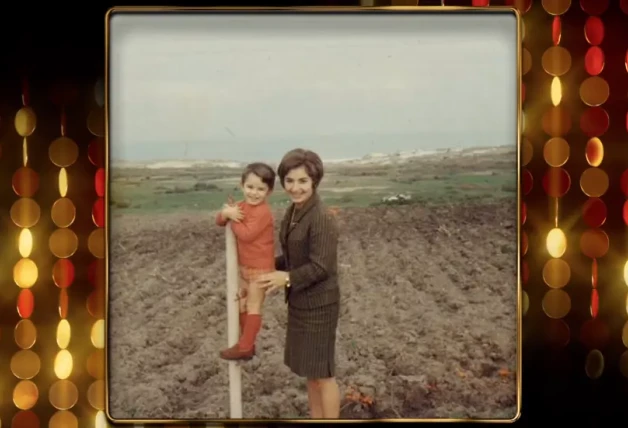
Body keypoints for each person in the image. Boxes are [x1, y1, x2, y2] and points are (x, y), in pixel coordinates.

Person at [256, 148, 341, 419]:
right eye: (290, 181)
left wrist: (287, 278)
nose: (295, 187)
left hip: (319, 306)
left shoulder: (321, 217)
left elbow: (321, 266)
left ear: (314, 181)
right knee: (310, 373)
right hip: (301, 303)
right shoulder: (294, 211)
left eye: (302, 181)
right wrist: (268, 266)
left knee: (322, 375)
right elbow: (294, 256)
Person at [216, 162, 276, 361]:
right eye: (250, 187)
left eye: (261, 189)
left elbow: (247, 235)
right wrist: (225, 213)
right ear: (242, 185)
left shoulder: (263, 212)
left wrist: (233, 220)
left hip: (261, 268)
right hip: (245, 267)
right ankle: (245, 343)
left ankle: (245, 345)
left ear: (269, 191)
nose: (254, 193)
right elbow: (219, 220)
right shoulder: (241, 206)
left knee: (253, 305)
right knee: (241, 304)